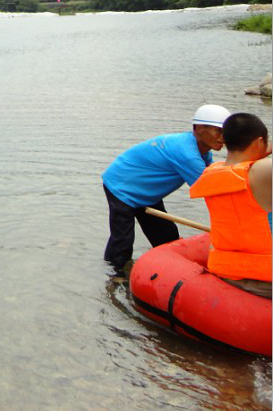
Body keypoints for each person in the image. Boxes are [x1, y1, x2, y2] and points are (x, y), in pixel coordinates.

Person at [101, 104, 230, 272]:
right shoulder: (187, 154)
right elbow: (211, 191)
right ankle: (115, 276)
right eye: (218, 131)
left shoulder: (202, 151)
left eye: (225, 132)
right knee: (123, 239)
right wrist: (228, 229)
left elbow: (217, 179)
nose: (223, 137)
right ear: (198, 129)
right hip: (122, 186)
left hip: (146, 191)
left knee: (166, 235)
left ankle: (166, 270)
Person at [189, 112, 272, 297]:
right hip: (265, 280)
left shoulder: (211, 171)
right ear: (259, 143)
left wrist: (259, 149)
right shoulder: (264, 171)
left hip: (225, 271)